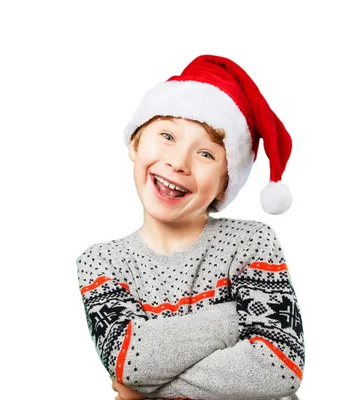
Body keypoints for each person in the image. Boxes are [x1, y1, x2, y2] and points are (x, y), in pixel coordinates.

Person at [75, 55, 305, 400]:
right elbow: (129, 363)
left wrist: (146, 392)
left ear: (226, 182)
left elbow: (280, 366)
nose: (178, 162)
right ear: (135, 144)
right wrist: (233, 317)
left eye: (206, 155)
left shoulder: (251, 242)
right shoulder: (101, 262)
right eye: (167, 135)